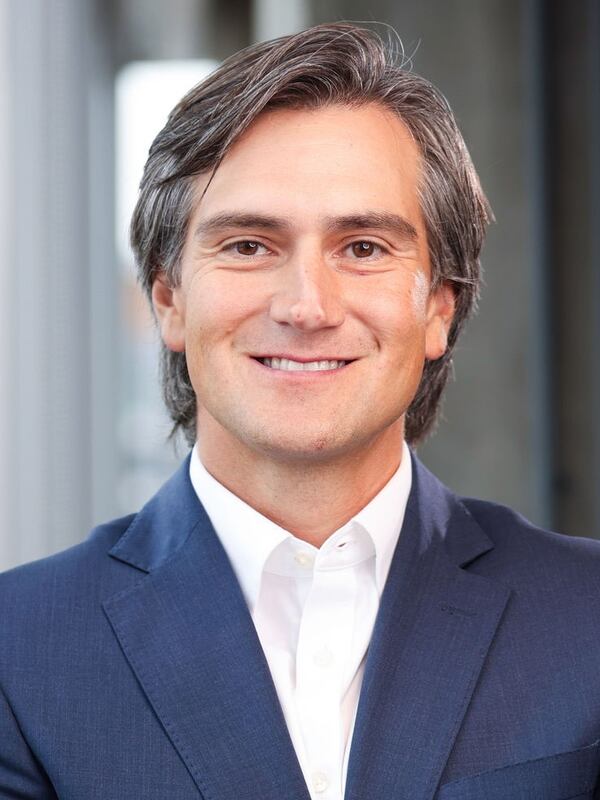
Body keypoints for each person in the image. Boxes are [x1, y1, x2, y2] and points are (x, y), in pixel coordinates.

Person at [1, 22, 599, 800]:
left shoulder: (587, 618)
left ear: (439, 310)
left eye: (364, 248)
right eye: (249, 245)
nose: (307, 306)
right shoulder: (18, 650)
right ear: (170, 301)